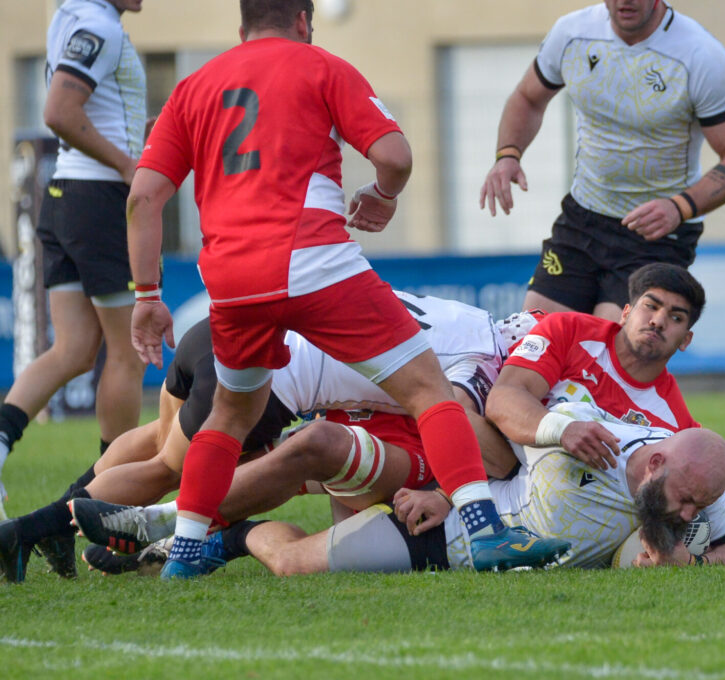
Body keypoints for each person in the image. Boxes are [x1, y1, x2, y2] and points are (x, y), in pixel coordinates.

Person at [125, 0, 568, 578]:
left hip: (231, 280)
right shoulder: (320, 65)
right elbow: (395, 156)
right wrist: (383, 194)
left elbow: (142, 198)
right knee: (429, 390)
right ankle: (488, 534)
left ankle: (182, 556)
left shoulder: (192, 88)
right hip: (312, 259)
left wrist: (145, 295)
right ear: (304, 21)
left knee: (230, 418)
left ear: (242, 27)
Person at [0, 292, 532, 582]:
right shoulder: (486, 358)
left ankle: (56, 522)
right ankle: (33, 530)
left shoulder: (461, 316)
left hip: (219, 330)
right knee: (167, 469)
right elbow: (458, 413)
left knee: (152, 442)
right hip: (264, 375)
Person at [213, 405, 725, 576]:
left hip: (486, 552)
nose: (688, 511)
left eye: (696, 504)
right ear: (655, 462)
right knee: (289, 565)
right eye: (685, 499)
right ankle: (240, 535)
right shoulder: (577, 433)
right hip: (443, 537)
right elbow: (489, 441)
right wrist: (447, 496)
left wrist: (697, 564)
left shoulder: (697, 478)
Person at [479, 0, 725, 321]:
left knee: (607, 352)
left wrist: (679, 207)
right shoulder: (572, 33)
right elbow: (527, 98)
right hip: (582, 221)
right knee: (532, 341)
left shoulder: (700, 56)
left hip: (656, 237)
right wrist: (508, 154)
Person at [486, 262, 725, 535]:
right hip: (501, 463)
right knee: (462, 417)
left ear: (685, 340)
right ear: (625, 313)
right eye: (651, 306)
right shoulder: (569, 331)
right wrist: (562, 430)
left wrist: (670, 548)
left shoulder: (674, 422)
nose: (658, 321)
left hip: (562, 512)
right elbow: (502, 399)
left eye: (676, 317)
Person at [0, 0, 147, 519]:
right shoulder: (99, 24)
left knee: (75, 349)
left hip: (62, 196)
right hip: (97, 199)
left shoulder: (68, 16)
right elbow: (59, 111)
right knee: (125, 352)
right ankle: (111, 498)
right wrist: (130, 164)